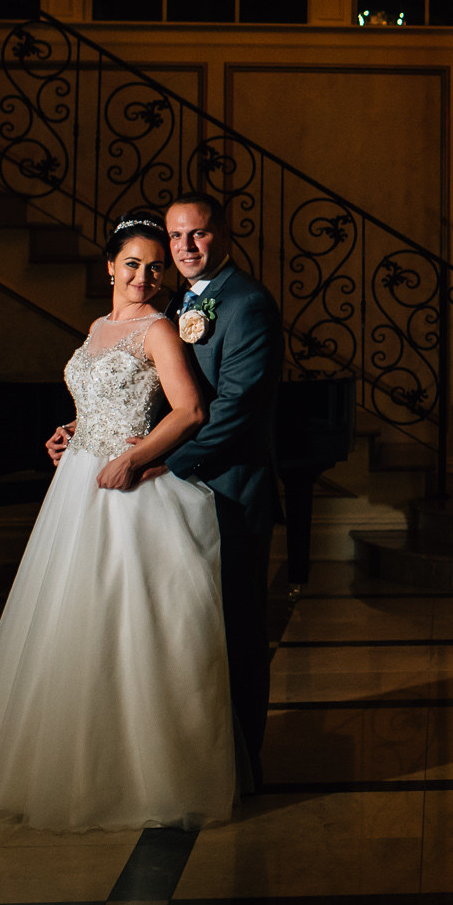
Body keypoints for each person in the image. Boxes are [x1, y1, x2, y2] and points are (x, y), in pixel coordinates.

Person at [0, 211, 236, 832]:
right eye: (132, 263)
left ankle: (138, 774)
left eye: (155, 267)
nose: (144, 275)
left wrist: (131, 457)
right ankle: (69, 762)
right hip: (77, 480)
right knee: (68, 621)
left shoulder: (160, 328)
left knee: (127, 627)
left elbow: (188, 412)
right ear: (109, 266)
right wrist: (73, 431)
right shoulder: (99, 326)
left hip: (126, 485)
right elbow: (104, 399)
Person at [149, 193, 284, 787]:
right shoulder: (175, 302)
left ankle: (246, 764)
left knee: (239, 633)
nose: (185, 247)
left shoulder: (248, 302)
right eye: (176, 237)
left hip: (229, 494)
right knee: (190, 635)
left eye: (198, 234)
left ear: (223, 235)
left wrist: (159, 463)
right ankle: (203, 758)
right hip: (180, 495)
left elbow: (237, 411)